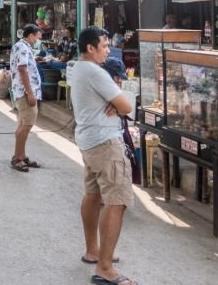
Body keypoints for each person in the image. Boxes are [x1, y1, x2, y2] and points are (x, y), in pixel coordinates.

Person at [70, 26, 136, 285]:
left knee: (94, 194)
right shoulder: (95, 72)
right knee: (117, 201)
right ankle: (105, 267)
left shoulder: (79, 68)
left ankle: (93, 251)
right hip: (105, 143)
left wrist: (115, 103)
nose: (107, 51)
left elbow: (117, 104)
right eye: (105, 46)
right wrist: (117, 103)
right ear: (91, 48)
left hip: (88, 139)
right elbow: (127, 105)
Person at [10, 24, 43, 172]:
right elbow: (22, 69)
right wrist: (30, 93)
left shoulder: (21, 46)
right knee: (27, 125)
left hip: (21, 91)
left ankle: (21, 155)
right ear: (30, 36)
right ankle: (18, 158)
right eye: (37, 37)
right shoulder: (23, 47)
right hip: (25, 92)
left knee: (23, 124)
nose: (38, 40)